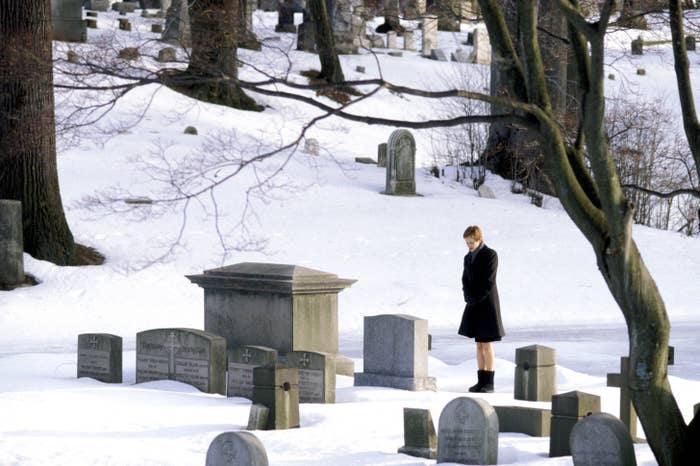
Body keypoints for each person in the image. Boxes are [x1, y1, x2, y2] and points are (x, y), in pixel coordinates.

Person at [458, 225, 505, 393]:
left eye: (471, 242)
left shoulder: (490, 255)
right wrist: (468, 296)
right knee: (478, 344)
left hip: (487, 304)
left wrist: (476, 297)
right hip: (473, 303)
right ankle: (480, 381)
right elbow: (465, 279)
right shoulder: (467, 257)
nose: (469, 246)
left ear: (479, 239)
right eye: (467, 243)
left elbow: (489, 281)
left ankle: (489, 382)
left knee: (486, 344)